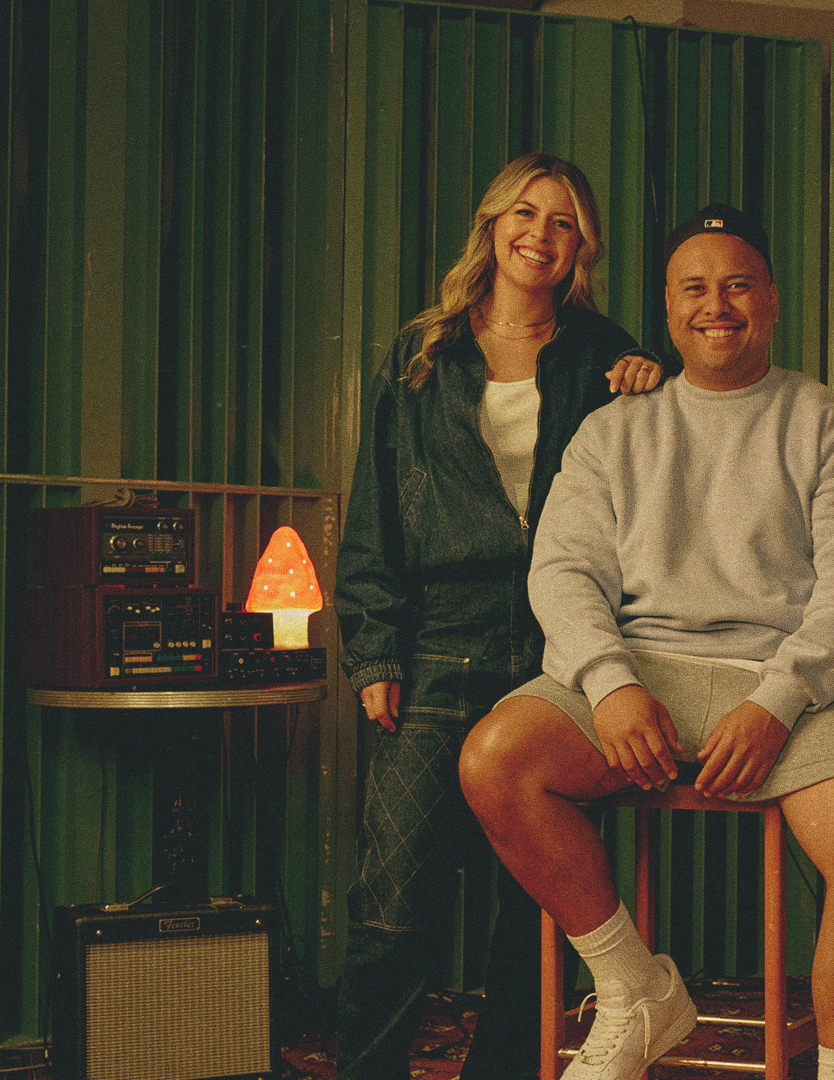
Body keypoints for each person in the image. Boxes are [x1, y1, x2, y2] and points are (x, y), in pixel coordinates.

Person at [458, 204, 834, 1080]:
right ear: (667, 311)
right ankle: (634, 990)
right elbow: (562, 572)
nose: (717, 305)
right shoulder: (613, 428)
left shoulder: (827, 424)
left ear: (772, 301)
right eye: (694, 289)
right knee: (495, 760)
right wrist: (608, 681)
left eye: (738, 285)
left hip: (796, 682)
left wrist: (779, 701)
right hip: (642, 670)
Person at [334, 152, 666, 1080]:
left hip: (565, 648)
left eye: (563, 221)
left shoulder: (608, 351)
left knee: (538, 905)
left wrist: (654, 383)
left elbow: (671, 468)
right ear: (492, 226)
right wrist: (373, 654)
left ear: (581, 245)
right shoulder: (422, 352)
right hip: (441, 644)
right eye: (526, 213)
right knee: (391, 897)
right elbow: (375, 515)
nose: (541, 235)